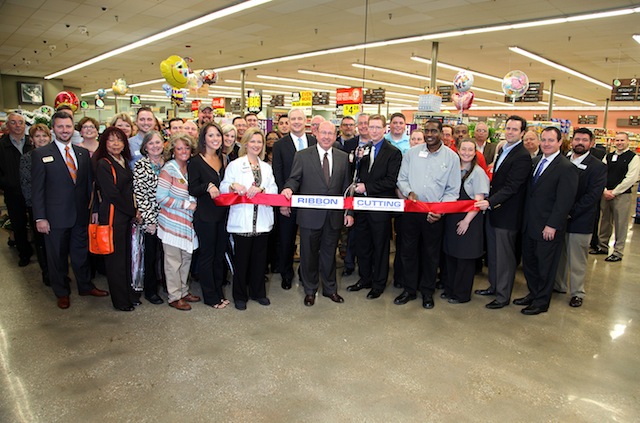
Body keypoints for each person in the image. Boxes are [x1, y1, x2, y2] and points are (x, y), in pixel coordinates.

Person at [32, 111, 109, 309]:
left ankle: (85, 285)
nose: (64, 130)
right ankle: (61, 292)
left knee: (80, 253)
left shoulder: (82, 153)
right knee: (56, 257)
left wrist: (93, 209)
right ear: (53, 129)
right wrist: (40, 217)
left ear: (72, 128)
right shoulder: (41, 154)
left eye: (68, 126)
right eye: (60, 127)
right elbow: (37, 189)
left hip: (80, 214)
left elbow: (89, 185)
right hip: (54, 217)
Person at [281, 121, 354, 306]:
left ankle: (330, 289)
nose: (327, 136)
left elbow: (347, 188)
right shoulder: (303, 156)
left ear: (335, 135)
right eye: (323, 133)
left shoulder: (343, 157)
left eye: (331, 133)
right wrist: (288, 189)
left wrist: (349, 212)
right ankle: (310, 290)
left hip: (333, 216)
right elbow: (294, 179)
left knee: (330, 254)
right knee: (308, 255)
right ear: (316, 133)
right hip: (309, 216)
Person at [395, 118, 460, 309]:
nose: (429, 135)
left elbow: (453, 190)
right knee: (408, 252)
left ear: (441, 133)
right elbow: (402, 178)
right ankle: (409, 289)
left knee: (430, 255)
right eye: (427, 131)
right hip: (412, 212)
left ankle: (427, 292)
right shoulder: (412, 154)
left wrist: (440, 210)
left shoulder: (451, 158)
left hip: (434, 215)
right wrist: (408, 192)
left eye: (434, 131)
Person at [514, 127, 579, 315]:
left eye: (551, 140)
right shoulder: (534, 163)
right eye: (544, 140)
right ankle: (533, 293)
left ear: (560, 142)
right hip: (529, 224)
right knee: (530, 263)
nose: (546, 144)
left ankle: (542, 302)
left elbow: (564, 201)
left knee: (546, 266)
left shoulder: (567, 168)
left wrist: (552, 225)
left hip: (548, 227)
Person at [474, 115, 532, 309]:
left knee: (504, 257)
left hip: (507, 215)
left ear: (522, 133)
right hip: (495, 213)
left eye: (515, 129)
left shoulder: (522, 155)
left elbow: (512, 187)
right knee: (493, 254)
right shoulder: (504, 150)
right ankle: (494, 286)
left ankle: (502, 295)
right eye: (508, 128)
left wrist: (489, 202)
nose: (510, 132)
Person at [346, 114, 402, 299]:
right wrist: (356, 162)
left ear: (385, 129)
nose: (374, 131)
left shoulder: (393, 152)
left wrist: (367, 187)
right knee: (363, 245)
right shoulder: (364, 149)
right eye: (372, 127)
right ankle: (365, 278)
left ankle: (378, 283)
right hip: (362, 207)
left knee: (380, 247)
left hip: (380, 208)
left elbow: (390, 181)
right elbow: (357, 177)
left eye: (378, 127)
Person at [221, 128, 278, 310]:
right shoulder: (235, 165)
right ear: (245, 143)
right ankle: (240, 296)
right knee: (242, 262)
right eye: (252, 141)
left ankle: (258, 292)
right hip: (242, 222)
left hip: (261, 222)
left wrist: (262, 190)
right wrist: (232, 185)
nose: (256, 145)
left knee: (259, 261)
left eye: (259, 142)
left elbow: (274, 191)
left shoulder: (267, 168)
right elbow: (223, 187)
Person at [554, 128, 607, 308]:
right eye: (577, 139)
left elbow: (592, 196)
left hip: (580, 220)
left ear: (591, 143)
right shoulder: (562, 161)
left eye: (584, 140)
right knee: (559, 255)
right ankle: (558, 285)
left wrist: (570, 211)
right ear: (571, 141)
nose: (580, 143)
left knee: (577, 259)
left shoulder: (598, 167)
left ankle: (577, 292)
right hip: (559, 219)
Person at [93, 127, 141, 311]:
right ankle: (120, 301)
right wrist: (132, 210)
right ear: (104, 142)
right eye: (111, 140)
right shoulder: (103, 164)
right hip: (114, 217)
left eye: (119, 140)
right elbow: (111, 194)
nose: (116, 144)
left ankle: (130, 294)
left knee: (127, 258)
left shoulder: (123, 161)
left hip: (125, 216)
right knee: (115, 261)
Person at [272, 108, 317, 290]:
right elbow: (278, 174)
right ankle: (286, 273)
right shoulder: (280, 145)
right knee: (287, 239)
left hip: (310, 200)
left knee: (309, 240)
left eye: (300, 118)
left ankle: (305, 273)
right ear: (288, 122)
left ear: (306, 121)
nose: (297, 122)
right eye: (293, 119)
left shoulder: (315, 142)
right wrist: (283, 202)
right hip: (288, 201)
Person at [442, 139, 489, 304]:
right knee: (451, 254)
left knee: (464, 258)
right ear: (458, 150)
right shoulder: (453, 169)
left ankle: (461, 294)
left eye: (470, 150)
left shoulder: (478, 173)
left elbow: (478, 202)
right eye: (464, 149)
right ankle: (449, 289)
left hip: (469, 221)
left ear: (475, 152)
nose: (466, 153)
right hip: (452, 218)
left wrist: (466, 221)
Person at [157, 133, 200, 311]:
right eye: (179, 148)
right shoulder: (169, 169)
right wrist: (186, 204)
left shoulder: (190, 167)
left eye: (187, 147)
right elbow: (160, 197)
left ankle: (183, 291)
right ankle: (174, 296)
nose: (183, 151)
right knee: (173, 261)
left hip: (188, 224)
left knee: (186, 258)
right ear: (172, 150)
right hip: (171, 222)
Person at [188, 123, 229, 309]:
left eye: (218, 135)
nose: (215, 139)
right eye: (211, 135)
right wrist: (207, 187)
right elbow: (192, 188)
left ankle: (219, 292)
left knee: (219, 255)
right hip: (205, 216)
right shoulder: (196, 161)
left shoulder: (225, 158)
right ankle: (211, 297)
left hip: (223, 214)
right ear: (203, 138)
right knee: (207, 255)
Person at [591, 132, 640, 262]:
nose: (619, 143)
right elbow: (601, 173)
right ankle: (603, 247)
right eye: (617, 140)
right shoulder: (608, 156)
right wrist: (605, 190)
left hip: (622, 196)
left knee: (621, 223)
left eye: (622, 140)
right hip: (605, 194)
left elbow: (631, 178)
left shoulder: (633, 157)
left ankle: (618, 252)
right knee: (605, 221)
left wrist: (615, 192)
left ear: (627, 141)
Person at [133, 130, 166, 305]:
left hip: (169, 217)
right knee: (151, 256)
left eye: (158, 142)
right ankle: (150, 290)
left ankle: (169, 286)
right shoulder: (141, 166)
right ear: (145, 147)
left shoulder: (168, 164)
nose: (155, 146)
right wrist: (150, 221)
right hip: (151, 218)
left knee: (167, 255)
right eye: (151, 143)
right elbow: (141, 196)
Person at [0, 112, 33, 266]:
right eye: (13, 122)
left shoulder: (31, 143)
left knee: (35, 223)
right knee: (18, 224)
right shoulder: (2, 145)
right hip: (13, 192)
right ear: (7, 125)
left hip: (33, 192)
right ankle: (24, 253)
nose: (18, 125)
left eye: (21, 122)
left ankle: (39, 252)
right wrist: (6, 183)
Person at [20, 124, 51, 285]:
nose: (41, 139)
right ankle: (46, 272)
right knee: (41, 243)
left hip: (54, 206)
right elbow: (28, 185)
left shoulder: (54, 155)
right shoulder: (27, 158)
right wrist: (36, 209)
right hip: (37, 206)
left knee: (53, 242)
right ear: (32, 139)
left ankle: (56, 272)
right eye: (38, 136)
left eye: (44, 136)